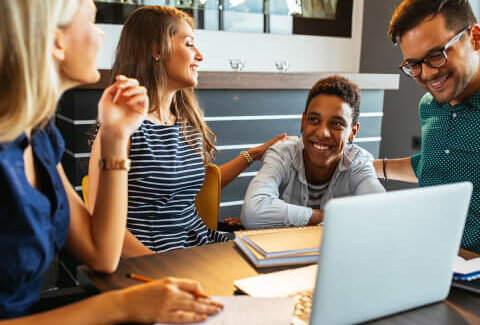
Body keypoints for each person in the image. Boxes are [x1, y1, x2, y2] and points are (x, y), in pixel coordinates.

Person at [0, 0, 222, 323]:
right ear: (57, 41)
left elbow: (102, 255)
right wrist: (122, 305)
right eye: (92, 21)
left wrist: (117, 136)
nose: (101, 36)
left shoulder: (38, 139)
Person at [88, 5, 286, 256]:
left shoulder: (186, 123)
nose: (200, 56)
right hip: (152, 259)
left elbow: (197, 186)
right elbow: (100, 222)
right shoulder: (119, 128)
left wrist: (255, 154)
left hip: (197, 247)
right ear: (156, 49)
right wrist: (160, 267)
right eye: (190, 44)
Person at [373, 0, 480, 253]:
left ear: (475, 38)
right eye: (413, 64)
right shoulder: (429, 106)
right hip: (426, 256)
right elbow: (436, 164)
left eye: (436, 56)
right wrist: (366, 166)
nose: (427, 74)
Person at [241, 75, 385, 229]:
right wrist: (330, 216)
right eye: (314, 120)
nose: (322, 133)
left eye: (336, 124)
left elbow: (380, 213)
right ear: (303, 122)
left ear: (352, 132)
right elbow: (252, 213)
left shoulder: (358, 162)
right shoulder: (282, 154)